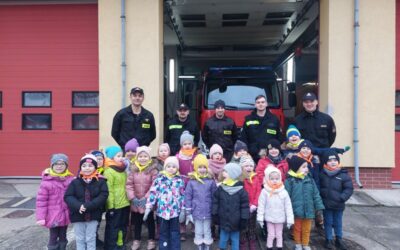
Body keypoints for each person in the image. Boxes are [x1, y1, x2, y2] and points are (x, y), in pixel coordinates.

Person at [64, 154, 109, 250]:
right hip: (77, 214)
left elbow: (103, 195)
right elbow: (68, 196)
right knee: (80, 238)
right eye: (84, 166)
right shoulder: (75, 182)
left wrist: (88, 205)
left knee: (91, 237)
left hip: (94, 214)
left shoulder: (101, 181)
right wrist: (78, 205)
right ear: (80, 168)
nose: (87, 168)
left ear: (95, 167)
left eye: (90, 166)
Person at [144, 156, 185, 250]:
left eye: (173, 167)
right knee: (163, 233)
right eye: (169, 166)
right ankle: (164, 248)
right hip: (162, 213)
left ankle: (175, 248)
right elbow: (153, 194)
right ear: (165, 167)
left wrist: (183, 209)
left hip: (175, 212)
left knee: (175, 232)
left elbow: (183, 196)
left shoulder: (179, 180)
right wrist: (148, 207)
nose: (171, 168)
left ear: (177, 168)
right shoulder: (159, 180)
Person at [285, 155, 325, 250]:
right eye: (303, 167)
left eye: (307, 167)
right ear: (296, 168)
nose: (306, 169)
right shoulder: (290, 181)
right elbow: (286, 197)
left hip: (309, 210)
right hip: (296, 211)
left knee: (307, 229)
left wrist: (319, 207)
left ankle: (305, 244)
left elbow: (316, 194)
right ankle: (298, 244)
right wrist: (287, 210)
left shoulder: (310, 180)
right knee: (297, 229)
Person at [36, 153, 74, 250]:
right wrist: (41, 217)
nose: (59, 166)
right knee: (53, 237)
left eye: (62, 164)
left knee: (63, 235)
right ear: (52, 165)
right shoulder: (46, 183)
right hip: (53, 216)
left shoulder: (70, 179)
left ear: (66, 166)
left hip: (65, 215)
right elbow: (41, 202)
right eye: (56, 164)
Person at [125, 146, 159, 250]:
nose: (143, 158)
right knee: (137, 222)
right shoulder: (133, 170)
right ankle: (136, 240)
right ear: (137, 157)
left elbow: (155, 185)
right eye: (140, 156)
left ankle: (151, 239)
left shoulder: (153, 170)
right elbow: (129, 185)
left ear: (149, 158)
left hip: (147, 202)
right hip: (136, 201)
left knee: (150, 222)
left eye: (145, 156)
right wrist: (132, 197)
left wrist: (147, 197)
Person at [319, 150, 354, 250]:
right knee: (328, 222)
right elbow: (319, 187)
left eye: (335, 160)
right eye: (330, 160)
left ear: (338, 162)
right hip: (326, 204)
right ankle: (328, 239)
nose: (333, 162)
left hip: (339, 204)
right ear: (325, 163)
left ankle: (339, 239)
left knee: (338, 222)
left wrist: (342, 197)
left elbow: (349, 188)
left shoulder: (343, 174)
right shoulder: (322, 174)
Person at [212, 163, 249, 250]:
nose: (223, 172)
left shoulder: (241, 191)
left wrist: (244, 219)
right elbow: (215, 201)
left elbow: (244, 206)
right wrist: (215, 213)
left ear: (233, 174)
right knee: (223, 238)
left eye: (226, 171)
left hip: (236, 221)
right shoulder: (221, 188)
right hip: (223, 218)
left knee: (235, 239)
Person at [257, 165, 294, 250]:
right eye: (272, 179)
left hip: (280, 217)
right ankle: (269, 247)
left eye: (277, 179)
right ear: (267, 179)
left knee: (279, 234)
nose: (274, 181)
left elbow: (288, 206)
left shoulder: (283, 192)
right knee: (271, 234)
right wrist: (260, 218)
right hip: (269, 217)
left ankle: (279, 247)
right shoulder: (265, 191)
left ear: (280, 178)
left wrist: (290, 219)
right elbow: (261, 205)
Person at [185, 154, 217, 250]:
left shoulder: (211, 181)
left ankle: (207, 243)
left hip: (208, 210)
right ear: (195, 168)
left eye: (204, 167)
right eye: (200, 167)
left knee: (207, 229)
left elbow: (214, 196)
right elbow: (188, 196)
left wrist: (214, 209)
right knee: (198, 229)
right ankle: (199, 243)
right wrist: (188, 211)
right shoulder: (191, 182)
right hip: (196, 211)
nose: (202, 169)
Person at [103, 146, 130, 250]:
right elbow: (109, 190)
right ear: (111, 157)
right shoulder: (109, 171)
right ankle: (111, 246)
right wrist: (110, 206)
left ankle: (120, 244)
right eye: (118, 156)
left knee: (122, 226)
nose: (121, 158)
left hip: (125, 203)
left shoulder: (122, 169)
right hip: (115, 206)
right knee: (113, 227)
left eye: (121, 155)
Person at [241, 95, 282, 161]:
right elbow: (244, 139)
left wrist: (272, 150)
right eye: (258, 102)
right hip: (252, 156)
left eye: (263, 102)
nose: (260, 104)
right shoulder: (248, 119)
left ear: (266, 104)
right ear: (255, 105)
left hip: (270, 156)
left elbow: (279, 138)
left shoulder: (274, 119)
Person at [240, 155, 261, 250]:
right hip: (243, 207)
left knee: (252, 224)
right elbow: (240, 193)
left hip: (253, 207)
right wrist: (246, 205)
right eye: (246, 166)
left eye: (250, 166)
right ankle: (243, 239)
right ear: (242, 167)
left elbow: (258, 192)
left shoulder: (256, 178)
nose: (249, 168)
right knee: (243, 224)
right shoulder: (241, 179)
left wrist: (254, 204)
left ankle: (252, 239)